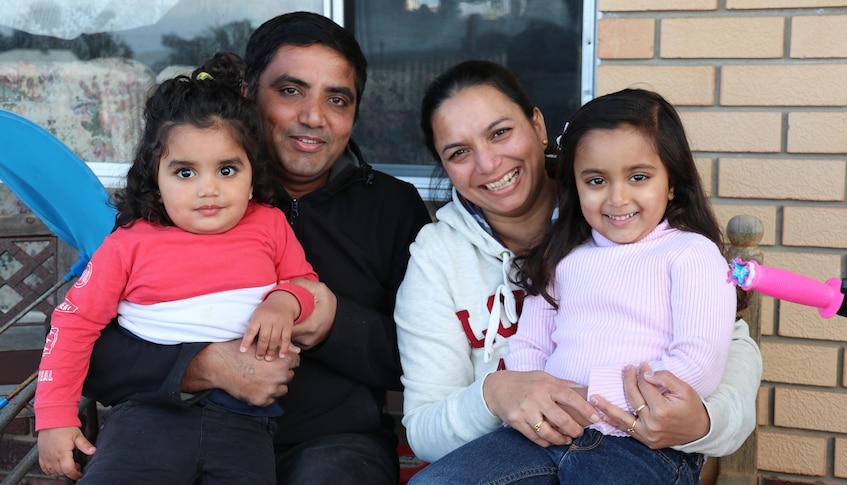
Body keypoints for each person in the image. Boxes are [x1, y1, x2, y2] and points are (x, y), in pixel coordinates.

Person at [81, 12, 432, 485]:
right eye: (291, 91)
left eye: (337, 99)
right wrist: (201, 367)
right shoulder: (172, 204)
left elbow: (419, 357)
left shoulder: (390, 206)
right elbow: (86, 348)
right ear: (247, 92)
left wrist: (331, 323)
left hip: (331, 444)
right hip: (179, 430)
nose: (314, 116)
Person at [394, 60, 762, 471]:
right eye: (459, 152)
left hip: (638, 444)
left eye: (500, 133)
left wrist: (704, 423)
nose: (487, 163)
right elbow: (425, 429)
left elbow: (718, 353)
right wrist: (495, 393)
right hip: (527, 445)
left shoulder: (664, 245)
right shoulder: (444, 259)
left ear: (537, 124)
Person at [35, 52, 318, 483]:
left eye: (227, 169)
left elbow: (303, 282)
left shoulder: (269, 224)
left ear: (251, 171)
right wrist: (54, 416)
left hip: (246, 421)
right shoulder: (129, 243)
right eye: (185, 172)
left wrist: (283, 301)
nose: (209, 189)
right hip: (144, 417)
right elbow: (74, 324)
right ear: (155, 175)